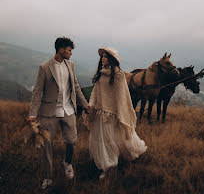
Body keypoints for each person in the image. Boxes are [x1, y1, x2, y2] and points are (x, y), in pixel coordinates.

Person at [28, 37, 89, 190]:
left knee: (72, 141)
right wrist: (32, 114)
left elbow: (75, 86)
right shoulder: (44, 67)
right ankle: (48, 177)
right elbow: (37, 92)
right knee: (47, 145)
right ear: (61, 50)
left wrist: (85, 105)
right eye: (69, 50)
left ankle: (67, 163)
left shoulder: (71, 65)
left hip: (68, 110)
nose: (71, 53)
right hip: (49, 112)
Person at [83, 47, 147, 179]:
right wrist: (91, 106)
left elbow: (122, 97)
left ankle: (111, 165)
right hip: (101, 113)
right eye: (102, 56)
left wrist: (120, 113)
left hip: (113, 114)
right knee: (104, 141)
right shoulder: (101, 73)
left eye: (106, 56)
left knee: (115, 140)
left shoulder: (118, 75)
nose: (103, 59)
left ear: (112, 59)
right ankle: (106, 164)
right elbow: (96, 93)